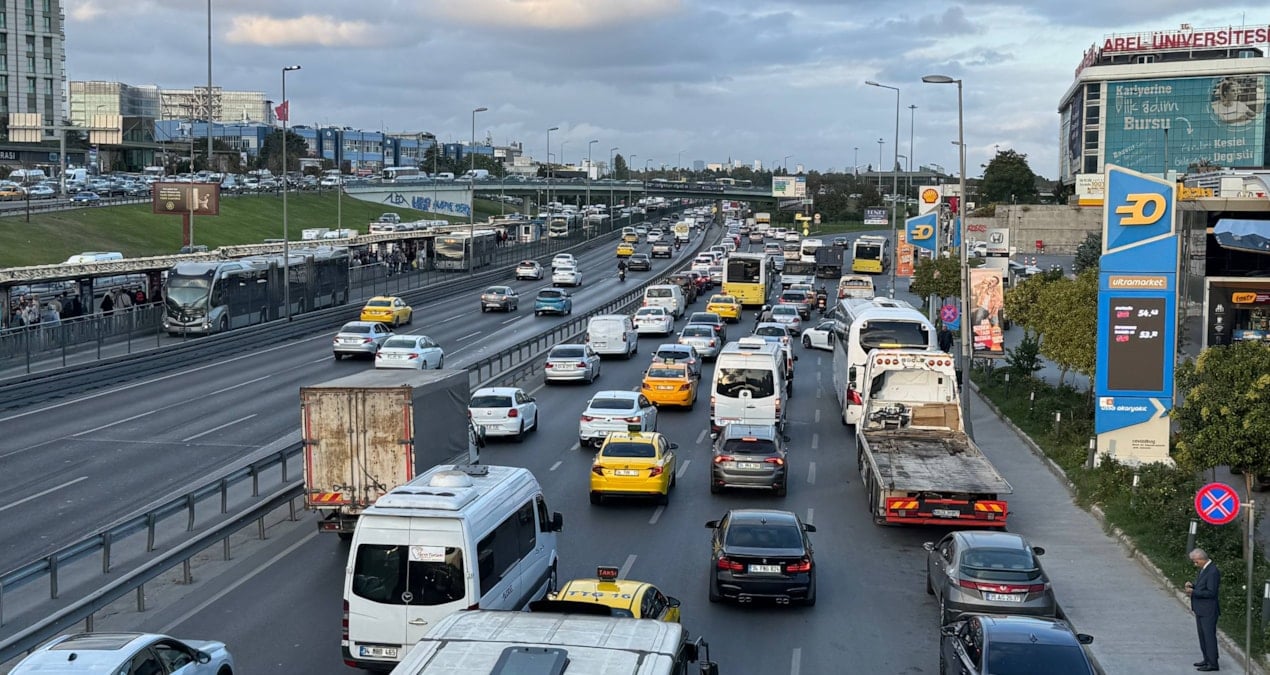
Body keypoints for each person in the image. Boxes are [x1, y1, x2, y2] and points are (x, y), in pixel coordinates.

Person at [1185, 548, 1221, 671]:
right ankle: (1206, 658)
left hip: (1208, 610)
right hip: (1201, 609)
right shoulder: (1205, 570)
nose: (1195, 564)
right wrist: (1193, 586)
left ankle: (1213, 663)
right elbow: (1203, 586)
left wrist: (1194, 592)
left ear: (1201, 559)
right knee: (1203, 636)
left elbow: (1211, 592)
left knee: (1209, 636)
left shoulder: (1212, 571)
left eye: (1196, 562)